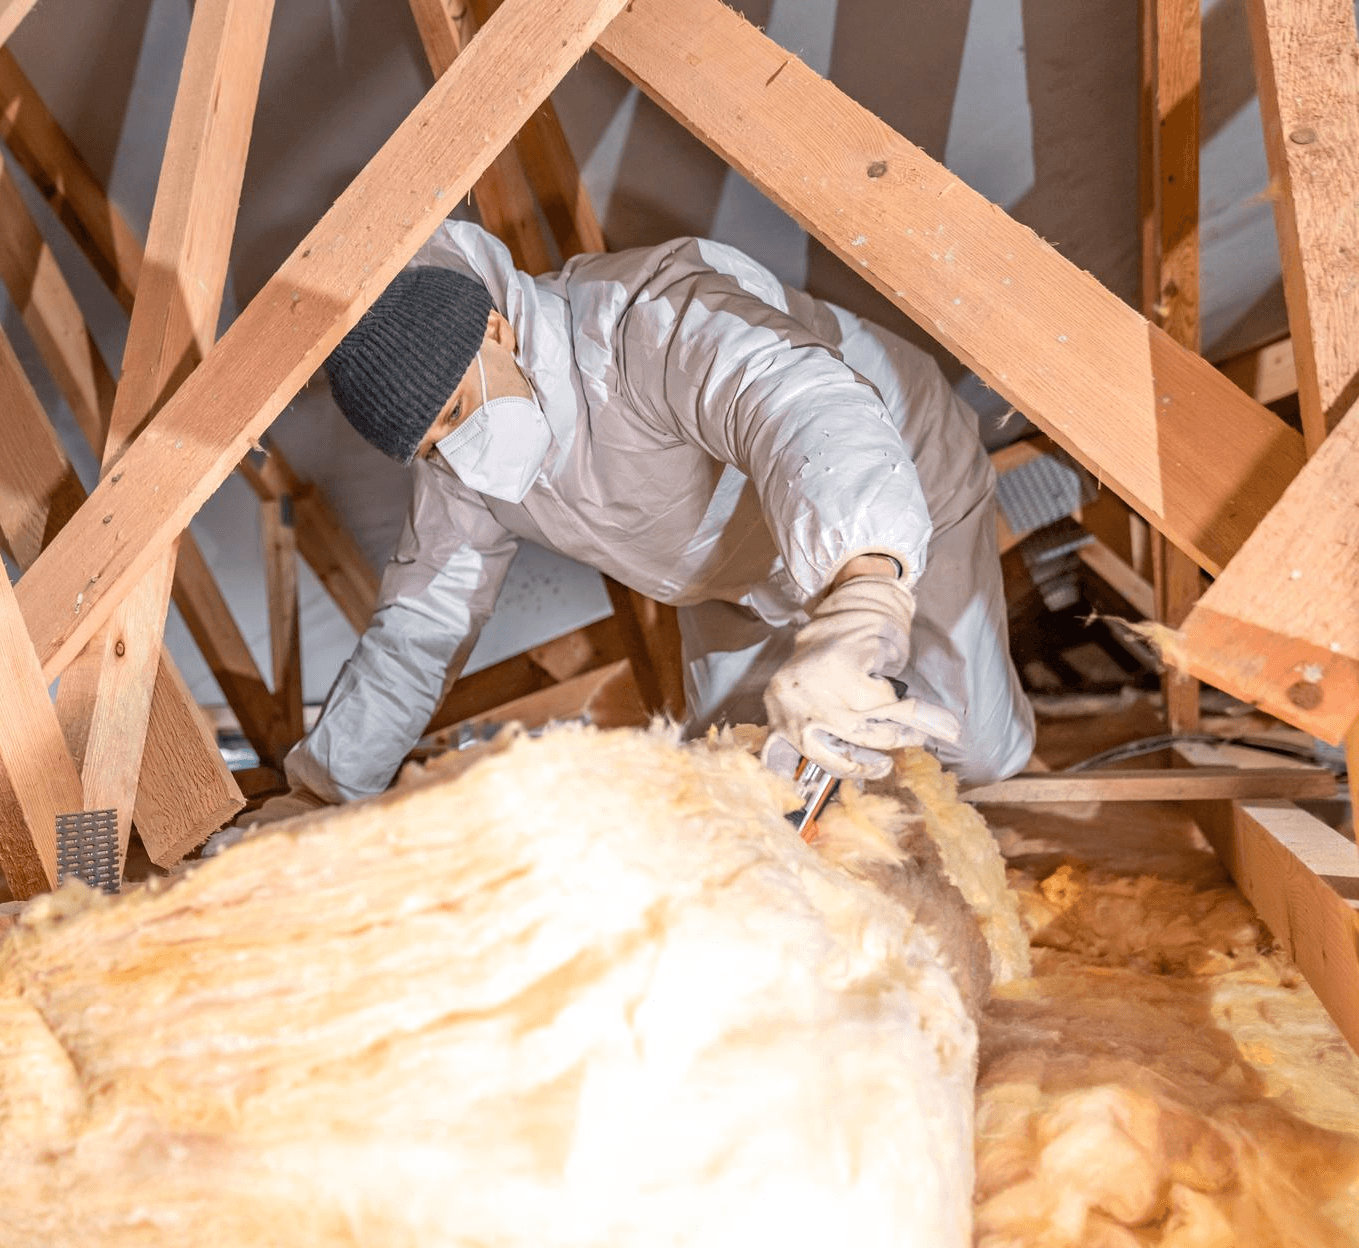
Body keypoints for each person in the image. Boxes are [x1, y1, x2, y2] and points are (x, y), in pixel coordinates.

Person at [281, 219, 1033, 811]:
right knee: (750, 788)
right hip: (734, 577)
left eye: (454, 412)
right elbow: (420, 628)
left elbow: (796, 405)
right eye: (429, 447)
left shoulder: (640, 319)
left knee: (975, 750)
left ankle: (1042, 493)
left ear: (496, 331)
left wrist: (865, 589)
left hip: (889, 482)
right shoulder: (459, 471)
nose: (456, 452)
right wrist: (322, 789)